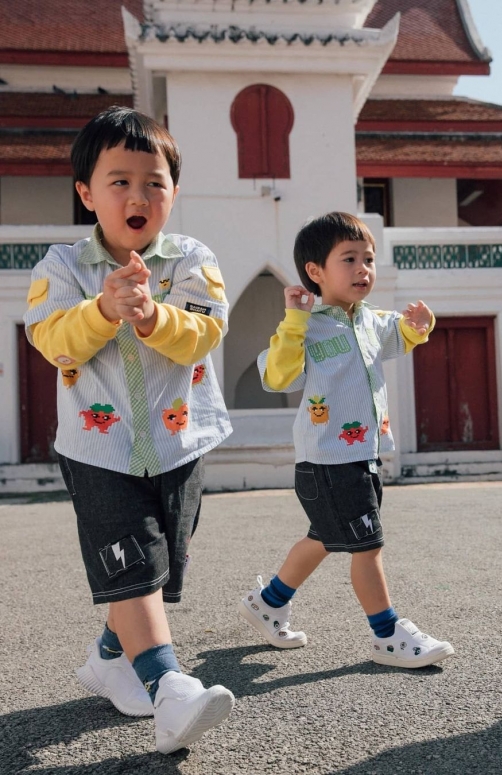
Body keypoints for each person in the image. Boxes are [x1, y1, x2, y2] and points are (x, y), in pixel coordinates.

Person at [24, 107, 234, 754]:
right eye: (119, 181)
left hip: (181, 443)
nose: (138, 195)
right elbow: (51, 339)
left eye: (155, 181)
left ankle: (110, 655)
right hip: (99, 451)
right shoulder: (61, 267)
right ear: (86, 192)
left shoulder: (194, 260)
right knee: (136, 566)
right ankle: (170, 688)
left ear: (173, 192)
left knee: (159, 568)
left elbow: (207, 329)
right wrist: (101, 309)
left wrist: (152, 317)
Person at [239, 212, 454, 669]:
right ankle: (387, 635)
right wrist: (294, 321)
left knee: (324, 537)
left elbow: (402, 336)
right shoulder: (304, 327)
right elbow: (277, 377)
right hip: (327, 460)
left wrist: (420, 326)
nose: (364, 269)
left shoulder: (373, 322)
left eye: (369, 259)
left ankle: (269, 602)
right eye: (349, 258)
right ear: (315, 272)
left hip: (365, 454)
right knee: (367, 546)